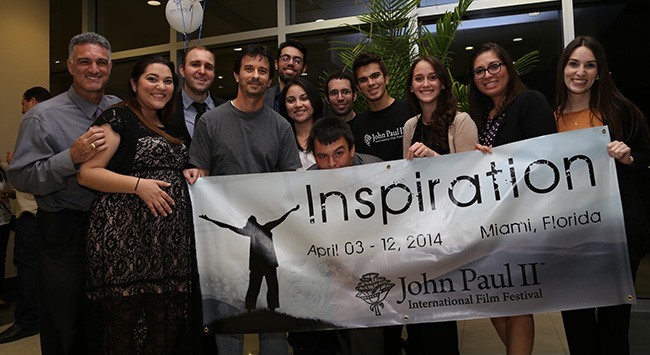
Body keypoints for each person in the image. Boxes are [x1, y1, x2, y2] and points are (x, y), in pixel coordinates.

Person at [76, 55, 201, 353]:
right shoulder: (117, 118)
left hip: (167, 245)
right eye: (152, 79)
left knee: (165, 324)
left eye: (168, 81)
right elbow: (87, 174)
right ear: (134, 83)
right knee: (125, 327)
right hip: (126, 240)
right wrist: (137, 186)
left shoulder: (169, 123)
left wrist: (187, 171)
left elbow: (170, 165)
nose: (161, 86)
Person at [7, 32, 120, 354]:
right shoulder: (42, 116)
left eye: (101, 62)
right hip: (65, 229)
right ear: (70, 66)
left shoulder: (120, 110)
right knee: (66, 320)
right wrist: (70, 158)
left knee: (108, 316)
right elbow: (21, 177)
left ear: (110, 67)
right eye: (85, 61)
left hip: (112, 227)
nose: (93, 69)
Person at [185, 43, 301, 355]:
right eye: (249, 68)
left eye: (263, 71)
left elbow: (292, 182)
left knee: (273, 318)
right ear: (236, 74)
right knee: (228, 321)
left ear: (270, 79)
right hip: (222, 242)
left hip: (268, 239)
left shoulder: (280, 126)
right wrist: (197, 179)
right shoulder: (210, 122)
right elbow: (200, 174)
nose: (255, 75)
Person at [554, 35, 650, 355]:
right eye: (573, 63)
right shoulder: (549, 119)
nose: (580, 72)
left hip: (615, 236)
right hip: (569, 238)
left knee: (613, 329)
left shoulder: (620, 111)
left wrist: (630, 157)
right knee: (577, 327)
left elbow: (646, 158)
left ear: (599, 71)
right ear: (563, 69)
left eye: (589, 65)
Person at [469, 42, 556, 355]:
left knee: (515, 299)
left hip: (521, 218)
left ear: (508, 67)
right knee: (491, 296)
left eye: (495, 66)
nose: (488, 75)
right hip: (490, 221)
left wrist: (497, 160)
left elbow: (546, 157)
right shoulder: (482, 116)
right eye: (479, 70)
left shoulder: (529, 101)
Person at [400, 55, 479, 355]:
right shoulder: (410, 126)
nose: (425, 84)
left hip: (452, 232)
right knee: (419, 311)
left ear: (443, 83)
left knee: (441, 314)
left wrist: (434, 158)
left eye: (432, 77)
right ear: (411, 86)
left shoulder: (461, 121)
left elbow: (472, 179)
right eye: (419, 79)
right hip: (420, 234)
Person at [303, 116, 382, 355]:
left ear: (352, 149)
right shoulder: (308, 181)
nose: (331, 164)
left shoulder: (378, 171)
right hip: (331, 278)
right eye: (322, 157)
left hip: (372, 274)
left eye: (338, 153)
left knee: (369, 342)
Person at [0, 86, 52, 344]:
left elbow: (36, 176)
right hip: (39, 213)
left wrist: (13, 168)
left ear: (32, 101)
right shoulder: (50, 124)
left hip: (34, 216)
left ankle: (28, 320)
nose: (21, 109)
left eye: (22, 103)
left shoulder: (38, 124)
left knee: (28, 268)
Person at [352, 52, 414, 162]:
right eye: (363, 80)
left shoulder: (411, 109)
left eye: (375, 76)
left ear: (386, 78)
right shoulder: (358, 125)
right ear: (358, 87)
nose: (370, 83)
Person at [172, 46, 226, 147]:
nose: (202, 71)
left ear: (214, 74)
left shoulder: (227, 109)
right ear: (182, 70)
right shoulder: (166, 108)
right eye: (195, 64)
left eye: (208, 67)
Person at [279, 77, 324, 169]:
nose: (298, 105)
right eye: (291, 100)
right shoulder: (280, 139)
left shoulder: (329, 134)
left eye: (304, 98)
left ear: (314, 100)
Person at [265, 39, 309, 112]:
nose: (291, 63)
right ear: (276, 64)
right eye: (285, 59)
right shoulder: (262, 98)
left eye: (297, 61)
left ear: (304, 68)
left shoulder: (312, 100)